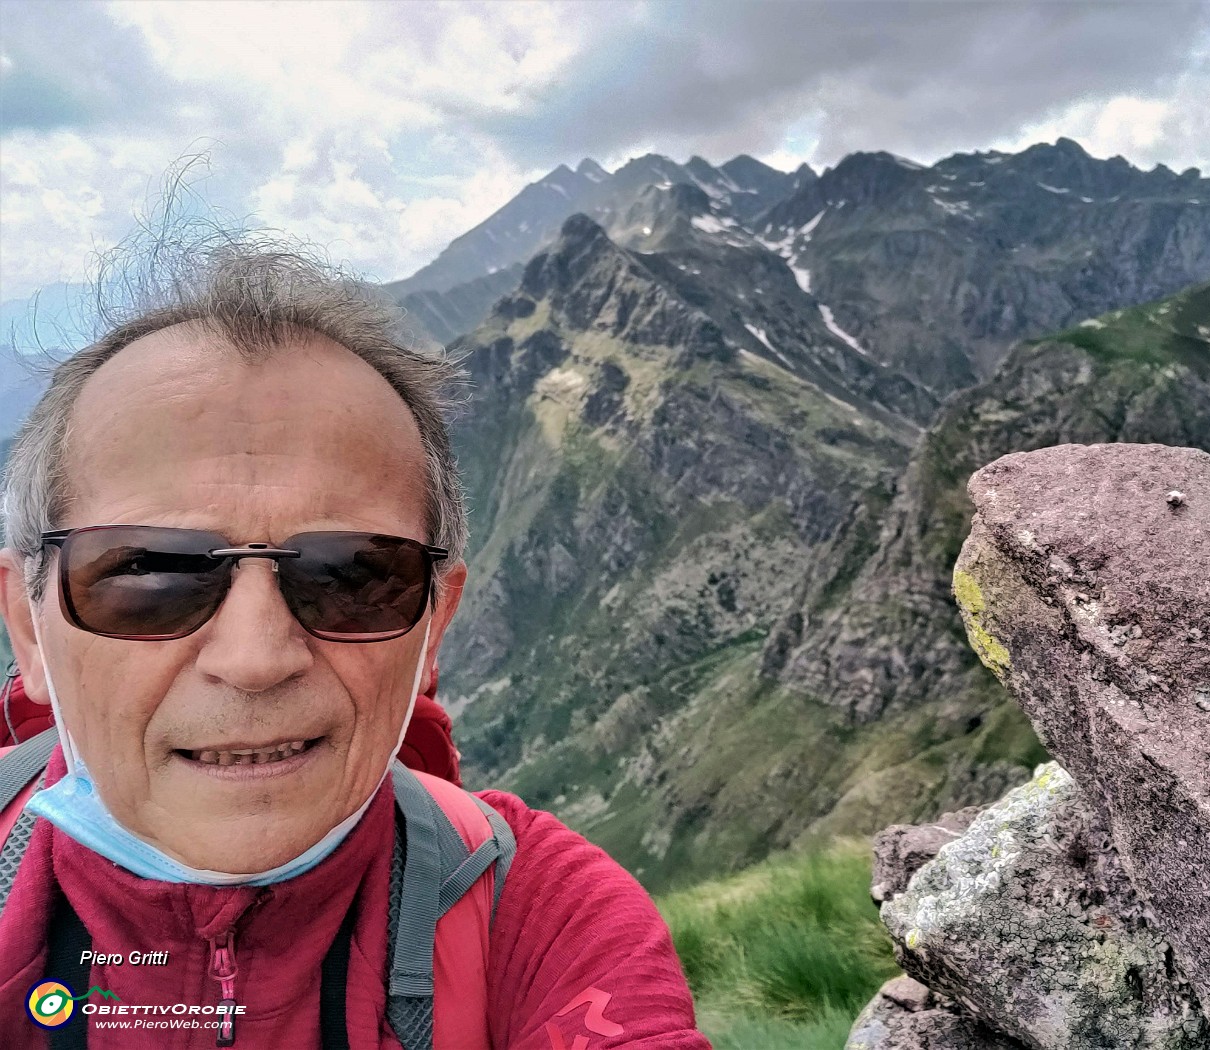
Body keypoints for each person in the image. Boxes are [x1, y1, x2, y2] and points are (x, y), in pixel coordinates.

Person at [0, 230, 710, 1048]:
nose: (256, 659)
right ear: (29, 627)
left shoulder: (541, 916)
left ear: (434, 625)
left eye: (351, 576)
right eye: (152, 576)